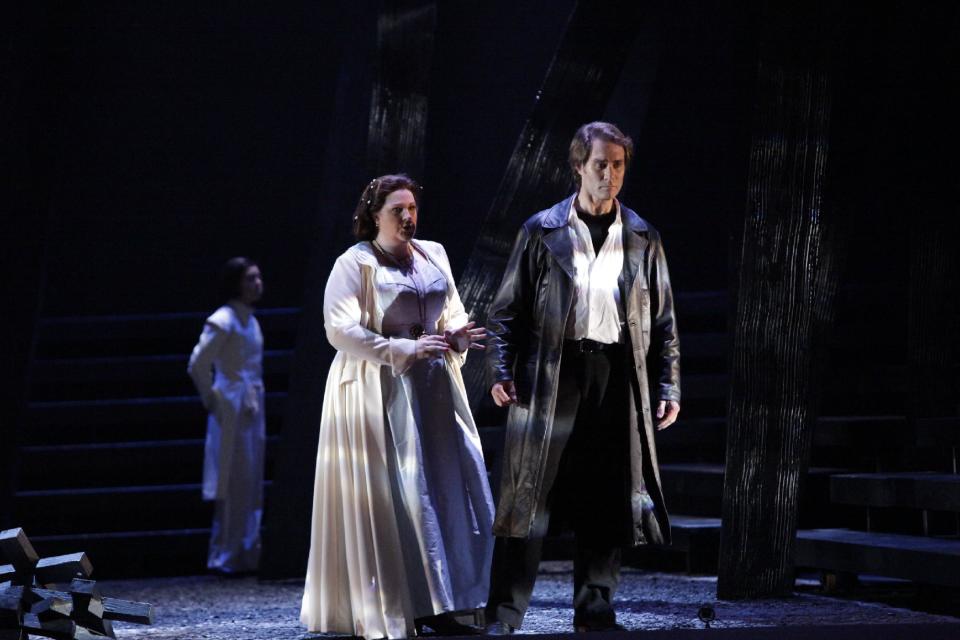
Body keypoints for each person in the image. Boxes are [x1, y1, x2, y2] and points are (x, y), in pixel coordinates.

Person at [484, 122, 681, 633]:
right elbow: (504, 312)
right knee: (528, 496)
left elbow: (664, 324)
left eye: (618, 165)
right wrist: (501, 370)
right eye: (600, 164)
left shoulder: (642, 236)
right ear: (578, 167)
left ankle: (595, 609)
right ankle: (504, 614)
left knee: (607, 493)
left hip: (616, 375)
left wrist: (668, 385)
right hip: (552, 372)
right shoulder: (541, 230)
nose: (610, 175)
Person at [301, 174, 494, 639]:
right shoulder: (356, 263)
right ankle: (402, 604)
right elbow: (339, 329)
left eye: (412, 208)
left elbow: (451, 311)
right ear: (374, 215)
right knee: (400, 493)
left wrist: (457, 336)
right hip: (379, 387)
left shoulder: (434, 252)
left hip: (434, 388)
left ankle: (445, 601)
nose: (408, 217)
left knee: (445, 488)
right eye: (397, 210)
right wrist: (400, 350)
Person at [187, 257, 266, 574]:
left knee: (250, 479)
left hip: (251, 405)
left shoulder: (250, 320)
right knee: (232, 480)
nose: (257, 283)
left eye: (258, 277)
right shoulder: (223, 320)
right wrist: (213, 398)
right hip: (231, 406)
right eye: (250, 278)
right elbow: (197, 363)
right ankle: (226, 555)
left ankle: (247, 551)